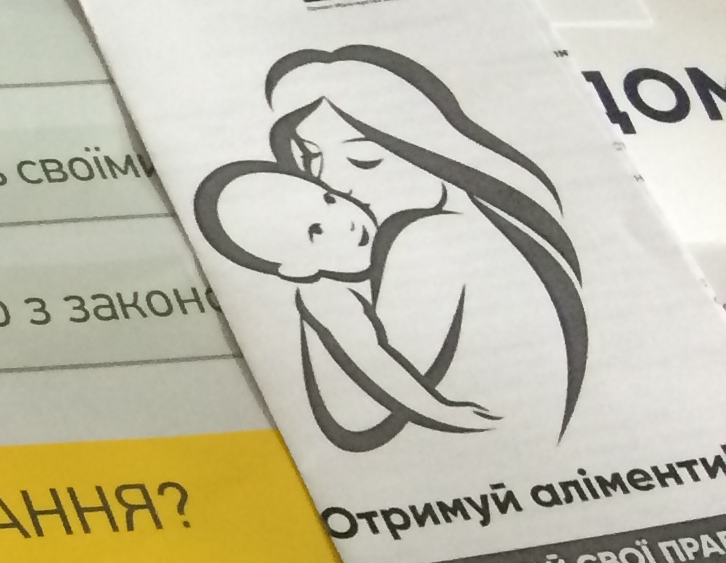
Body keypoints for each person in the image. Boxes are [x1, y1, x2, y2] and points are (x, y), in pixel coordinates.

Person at [232, 46, 587, 450]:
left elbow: (360, 416)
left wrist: (325, 303)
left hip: (492, 467)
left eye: (362, 158)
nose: (330, 181)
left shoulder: (428, 236)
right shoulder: (477, 221)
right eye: (312, 156)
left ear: (426, 149)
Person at [195, 165, 498, 432]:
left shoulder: (383, 229)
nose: (344, 221)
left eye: (329, 199)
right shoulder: (323, 294)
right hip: (373, 410)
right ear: (298, 269)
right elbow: (374, 363)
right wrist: (444, 412)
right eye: (316, 230)